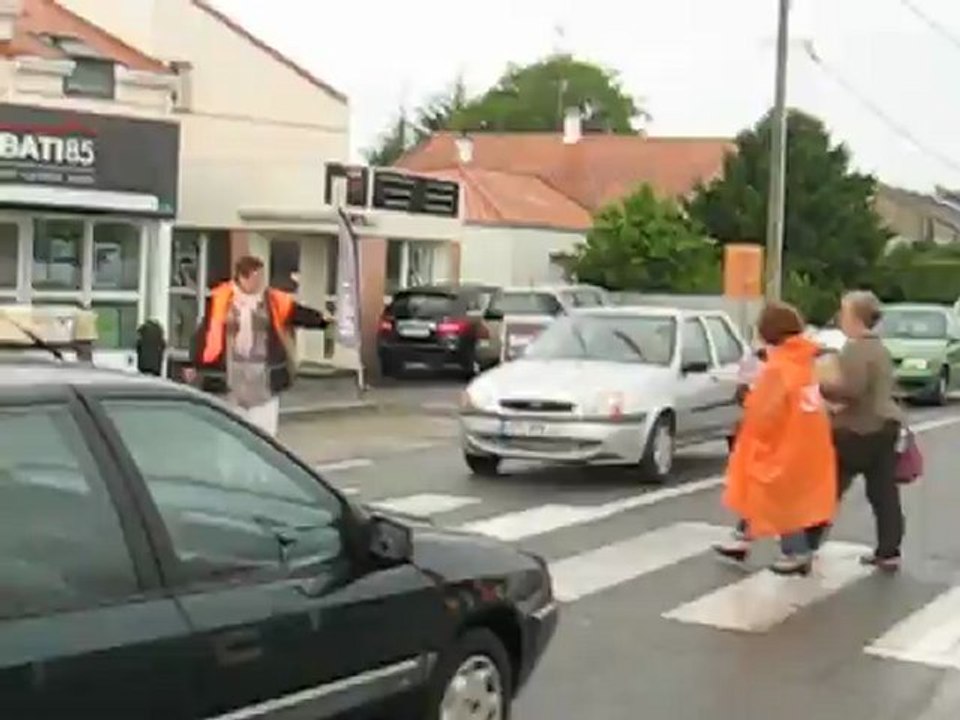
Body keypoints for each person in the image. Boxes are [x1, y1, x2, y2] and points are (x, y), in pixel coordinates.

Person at [714, 302, 838, 576]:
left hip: (781, 443)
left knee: (776, 494)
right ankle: (742, 537)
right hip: (810, 441)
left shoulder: (778, 367)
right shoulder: (805, 360)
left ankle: (795, 551)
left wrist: (748, 399)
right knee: (768, 490)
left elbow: (764, 411)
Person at [807, 290, 904, 571]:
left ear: (855, 317)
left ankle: (806, 543)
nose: (840, 318)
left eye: (844, 312)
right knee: (884, 492)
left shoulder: (856, 348)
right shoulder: (879, 348)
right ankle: (889, 550)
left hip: (856, 430)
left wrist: (819, 385)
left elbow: (851, 390)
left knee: (828, 487)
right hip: (885, 426)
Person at [184, 255, 331, 437]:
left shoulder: (272, 300)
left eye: (261, 277)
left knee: (264, 434)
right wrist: (194, 363)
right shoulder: (220, 299)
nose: (260, 282)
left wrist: (322, 322)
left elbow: (297, 313)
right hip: (231, 375)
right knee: (232, 432)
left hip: (263, 375)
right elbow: (205, 332)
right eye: (256, 277)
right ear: (242, 278)